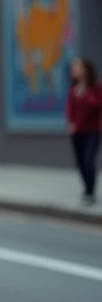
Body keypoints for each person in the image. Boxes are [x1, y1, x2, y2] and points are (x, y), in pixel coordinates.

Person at [65, 56, 101, 205]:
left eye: (77, 67)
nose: (74, 71)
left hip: (93, 131)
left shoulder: (95, 89)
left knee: (88, 160)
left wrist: (85, 94)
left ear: (85, 70)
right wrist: (71, 123)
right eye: (73, 68)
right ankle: (86, 188)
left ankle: (90, 192)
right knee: (80, 162)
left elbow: (96, 105)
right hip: (77, 132)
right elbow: (69, 109)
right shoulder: (73, 90)